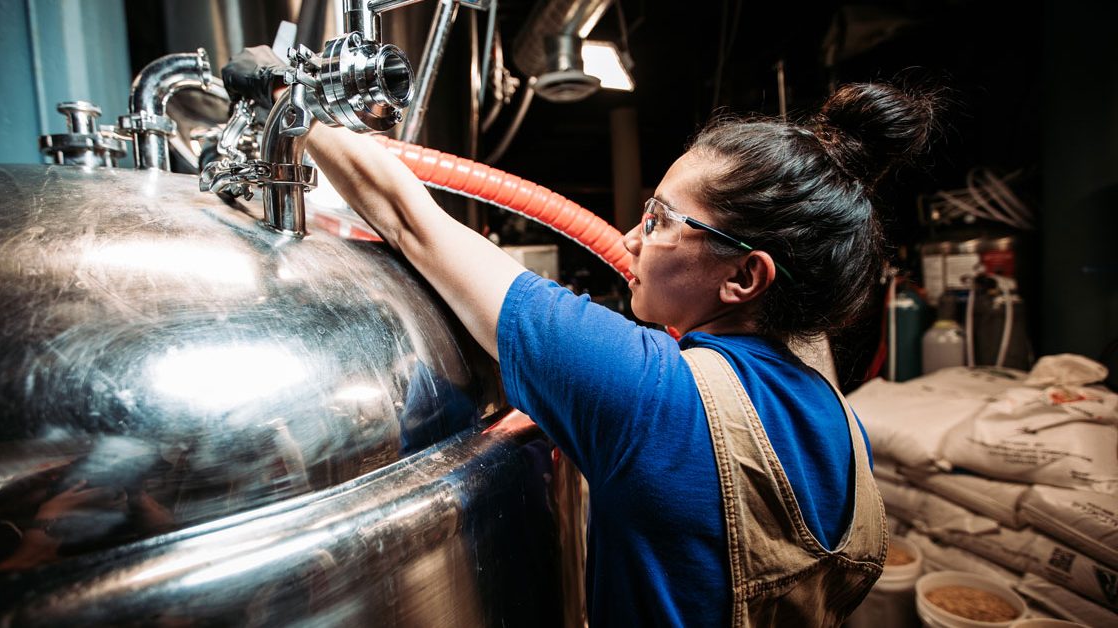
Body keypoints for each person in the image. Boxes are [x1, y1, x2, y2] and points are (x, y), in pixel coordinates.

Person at [224, 49, 938, 627]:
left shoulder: (649, 393)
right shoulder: (842, 421)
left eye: (659, 220)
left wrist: (289, 94)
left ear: (745, 278)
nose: (630, 236)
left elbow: (409, 218)